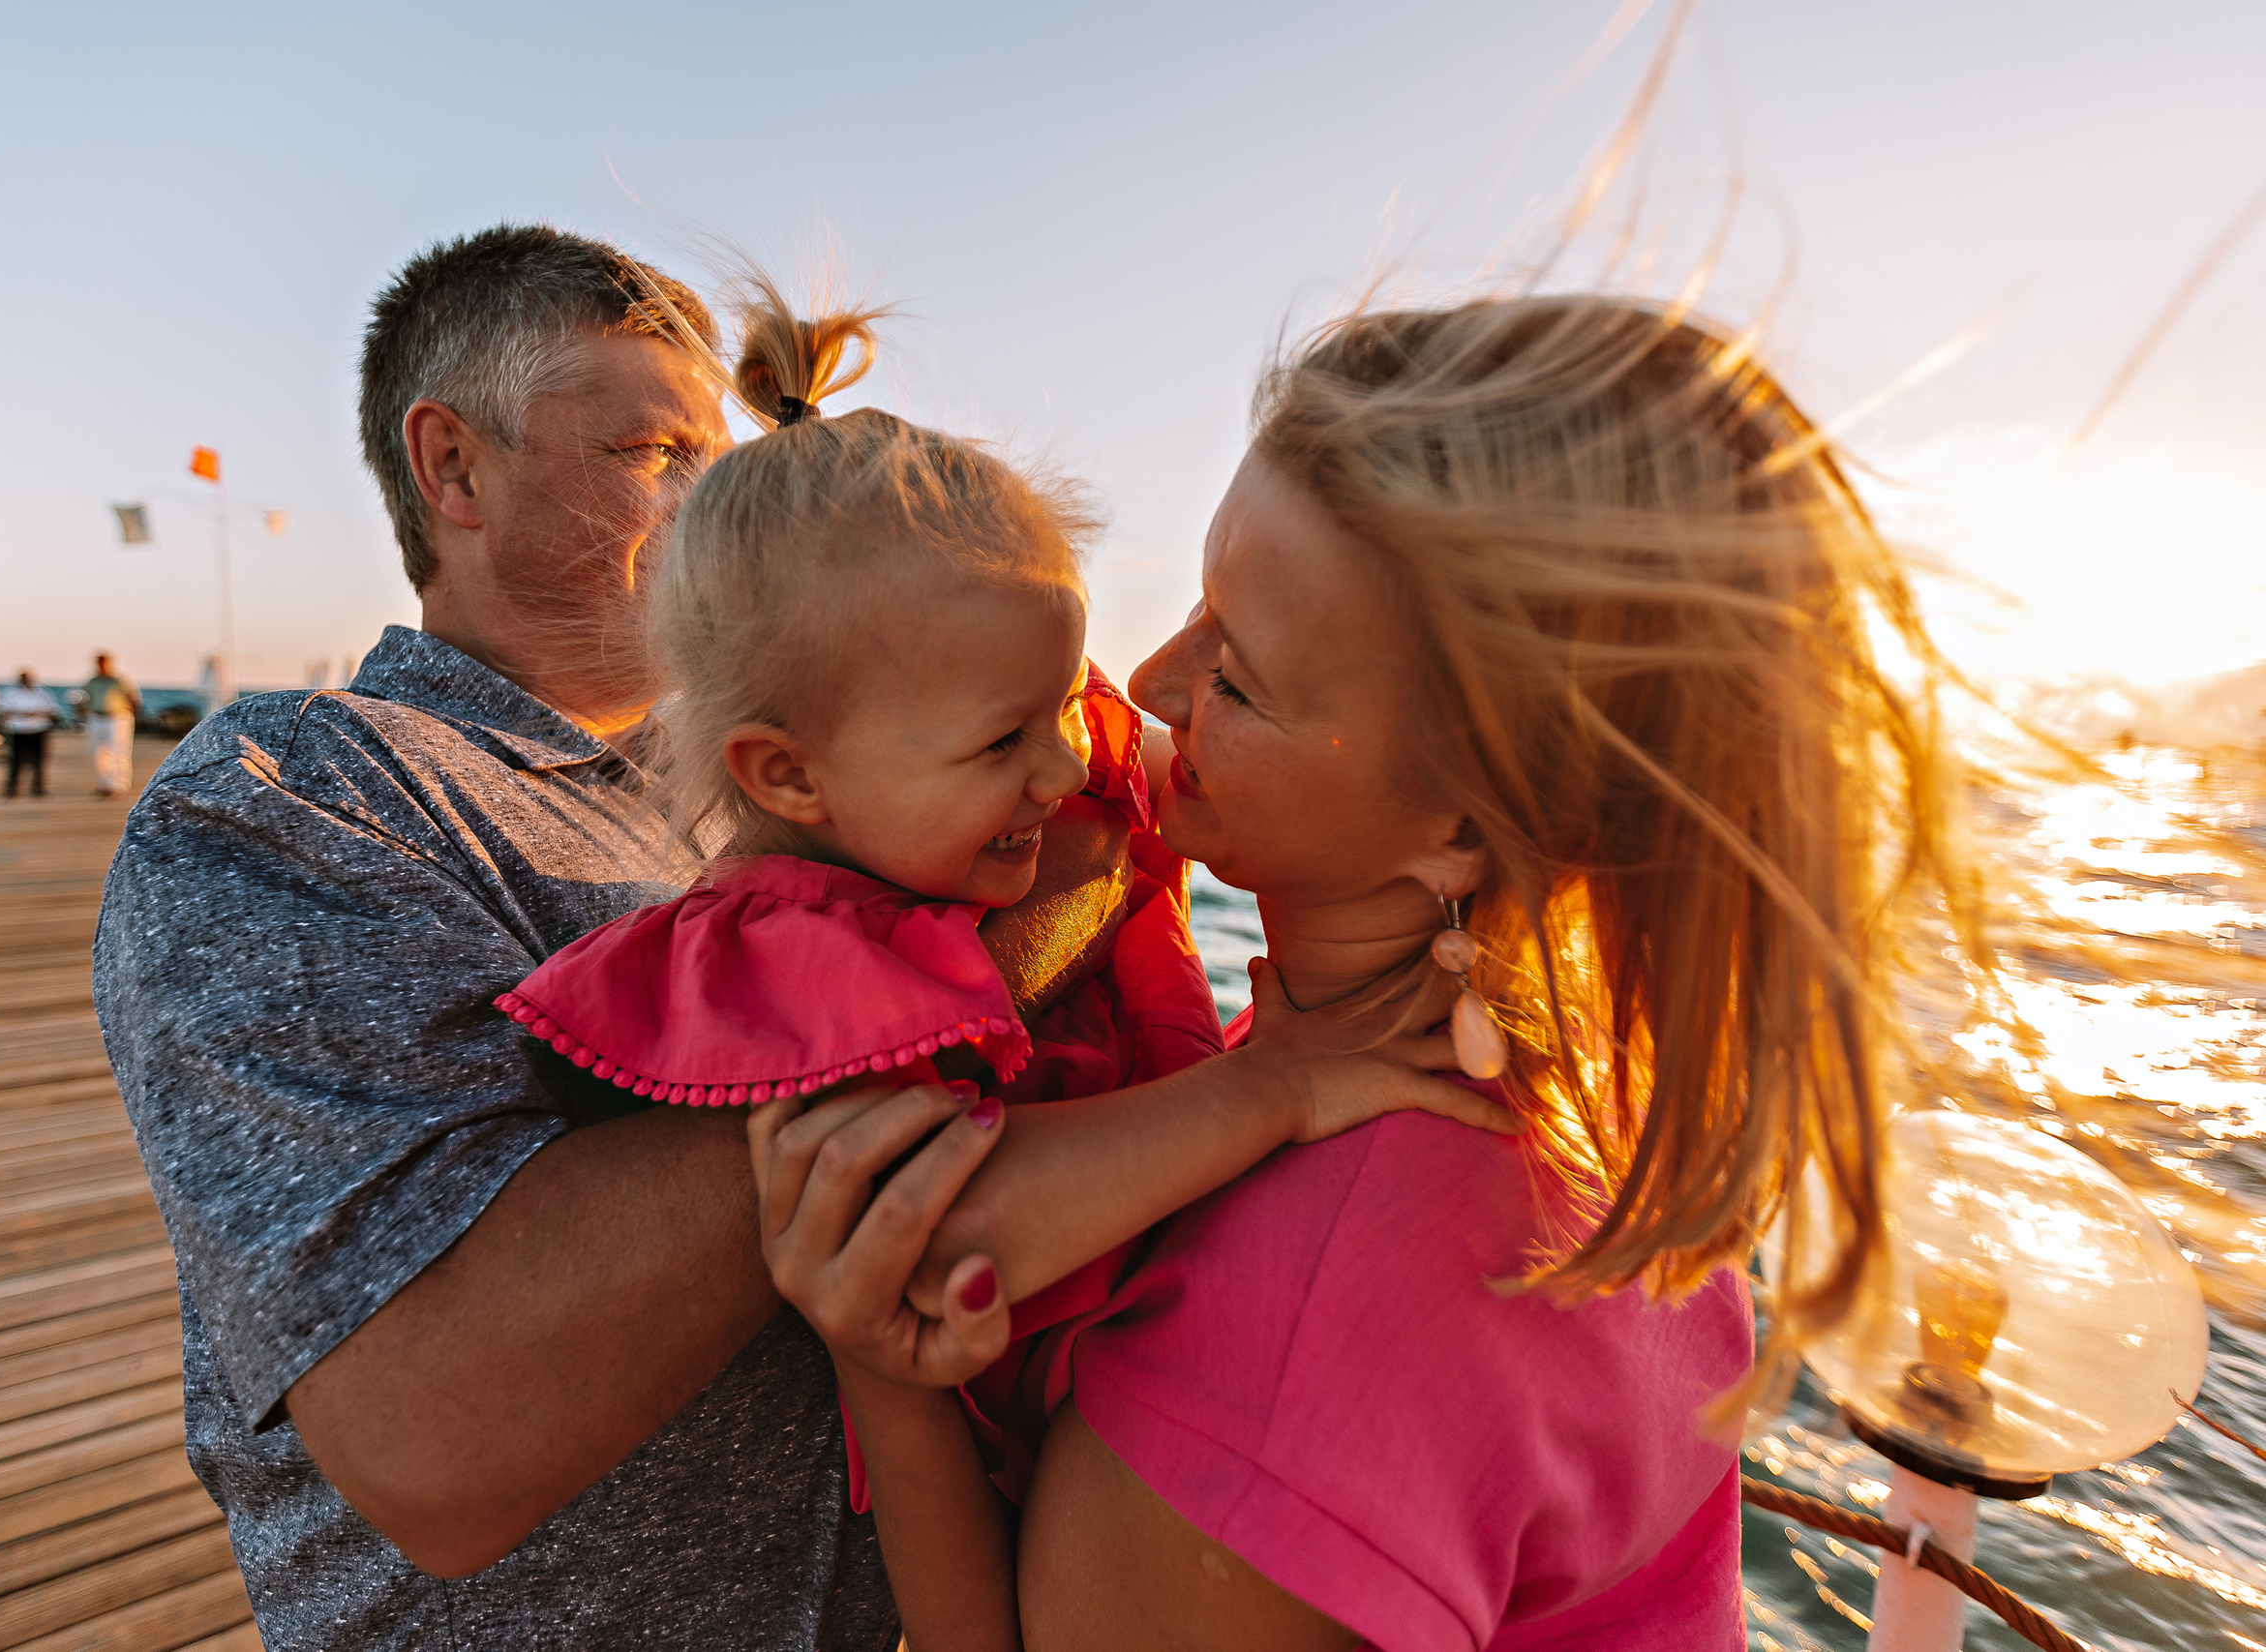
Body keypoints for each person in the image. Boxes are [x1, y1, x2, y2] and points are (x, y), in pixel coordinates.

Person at [93, 226, 1491, 1651]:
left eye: (729, 448)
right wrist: (1028, 947)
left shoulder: (867, 777)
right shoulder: (301, 797)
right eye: (659, 451)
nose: (725, 493)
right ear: (453, 468)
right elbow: (435, 1436)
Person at [754, 295, 1975, 1650]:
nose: (1155, 681)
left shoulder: (1297, 1333)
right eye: (1199, 603)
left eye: (1245, 674)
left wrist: (885, 1373)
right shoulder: (1585, 1093)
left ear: (1475, 815)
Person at [499, 285, 1510, 1516]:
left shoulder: (1004, 766)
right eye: (1003, 742)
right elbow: (943, 1222)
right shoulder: (796, 960)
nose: (1074, 759)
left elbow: (1197, 767)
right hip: (1030, 1439)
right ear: (790, 775)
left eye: (1061, 705)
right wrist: (1279, 1084)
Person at [83, 651, 142, 796]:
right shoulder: (92, 681)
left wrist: (134, 715)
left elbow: (133, 698)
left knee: (119, 751)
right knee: (99, 752)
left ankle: (119, 785)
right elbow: (84, 697)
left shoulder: (119, 680)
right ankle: (105, 784)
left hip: (118, 717)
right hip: (96, 717)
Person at [0, 669, 53, 797]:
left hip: (38, 730)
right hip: (18, 731)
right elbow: (3, 712)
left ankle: (38, 787)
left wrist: (33, 713)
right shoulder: (11, 694)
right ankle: (12, 788)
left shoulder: (42, 693)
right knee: (15, 761)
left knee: (39, 761)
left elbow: (51, 711)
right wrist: (24, 714)